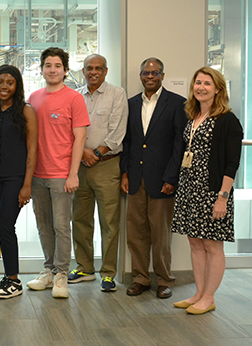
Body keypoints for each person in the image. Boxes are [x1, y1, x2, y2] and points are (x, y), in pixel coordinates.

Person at [171, 67, 243, 315]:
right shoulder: (193, 117)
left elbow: (232, 163)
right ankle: (199, 293)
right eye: (197, 83)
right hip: (190, 189)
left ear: (218, 89)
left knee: (213, 245)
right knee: (195, 243)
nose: (201, 87)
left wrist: (222, 197)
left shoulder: (227, 120)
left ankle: (209, 297)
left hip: (213, 192)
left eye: (207, 84)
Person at [121, 58, 186, 299]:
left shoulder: (178, 104)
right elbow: (127, 142)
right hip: (136, 178)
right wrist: (125, 172)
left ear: (162, 75)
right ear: (140, 76)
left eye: (155, 72)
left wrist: (172, 177)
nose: (150, 76)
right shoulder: (131, 104)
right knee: (136, 233)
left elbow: (179, 145)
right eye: (146, 73)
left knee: (160, 234)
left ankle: (165, 280)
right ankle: (140, 278)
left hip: (162, 181)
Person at [26, 47, 89, 298]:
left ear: (65, 70)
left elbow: (80, 136)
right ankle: (49, 271)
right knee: (44, 226)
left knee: (62, 226)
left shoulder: (74, 98)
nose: (52, 70)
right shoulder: (34, 98)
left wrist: (73, 173)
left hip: (62, 173)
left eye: (57, 65)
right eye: (48, 65)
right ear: (42, 69)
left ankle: (62, 273)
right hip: (37, 175)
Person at [70, 54, 128, 292]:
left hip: (106, 165)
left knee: (109, 222)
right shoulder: (75, 96)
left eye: (98, 68)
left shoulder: (117, 94)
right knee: (80, 219)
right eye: (89, 68)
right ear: (83, 71)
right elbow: (68, 129)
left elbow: (117, 132)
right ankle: (84, 267)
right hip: (79, 165)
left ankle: (108, 273)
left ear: (106, 71)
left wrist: (96, 153)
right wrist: (83, 152)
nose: (93, 72)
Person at [0, 65, 38, 299]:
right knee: (2, 228)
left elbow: (32, 149)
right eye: (0, 82)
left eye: (9, 82)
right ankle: (8, 276)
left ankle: (14, 281)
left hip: (16, 178)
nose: (4, 86)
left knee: (6, 226)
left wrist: (27, 185)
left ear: (17, 86)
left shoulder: (26, 111)